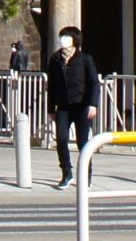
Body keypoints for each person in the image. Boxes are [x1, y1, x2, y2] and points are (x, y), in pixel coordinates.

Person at [42, 25, 102, 187]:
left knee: (83, 142)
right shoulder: (55, 59)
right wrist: (50, 109)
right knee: (61, 139)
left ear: (75, 40)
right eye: (62, 36)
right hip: (63, 106)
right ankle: (66, 172)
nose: (63, 40)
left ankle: (86, 174)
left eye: (66, 37)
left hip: (82, 106)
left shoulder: (85, 59)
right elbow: (52, 85)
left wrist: (93, 104)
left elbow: (94, 83)